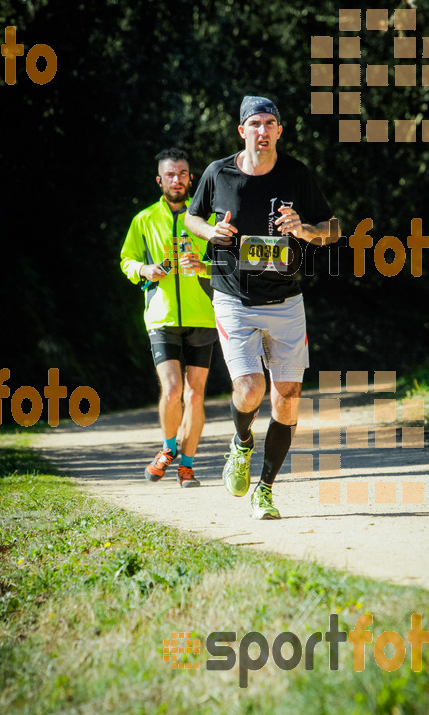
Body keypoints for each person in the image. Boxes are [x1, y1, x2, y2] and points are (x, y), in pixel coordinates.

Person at [185, 96, 339, 518]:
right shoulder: (219, 173)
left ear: (280, 131)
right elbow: (191, 218)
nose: (263, 130)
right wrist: (210, 231)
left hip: (286, 300)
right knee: (250, 388)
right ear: (242, 131)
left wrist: (304, 229)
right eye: (255, 123)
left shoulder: (296, 174)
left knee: (287, 397)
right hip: (234, 298)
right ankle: (241, 443)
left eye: (271, 123)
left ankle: (265, 490)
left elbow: (334, 228)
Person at [120, 147, 218, 488]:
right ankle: (168, 447)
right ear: (160, 180)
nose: (177, 180)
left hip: (203, 316)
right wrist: (145, 269)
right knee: (173, 388)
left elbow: (228, 264)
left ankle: (187, 465)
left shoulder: (208, 221)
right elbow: (127, 261)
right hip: (161, 317)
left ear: (192, 178)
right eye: (171, 174)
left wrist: (203, 267)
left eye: (183, 174)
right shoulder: (144, 220)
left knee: (194, 394)